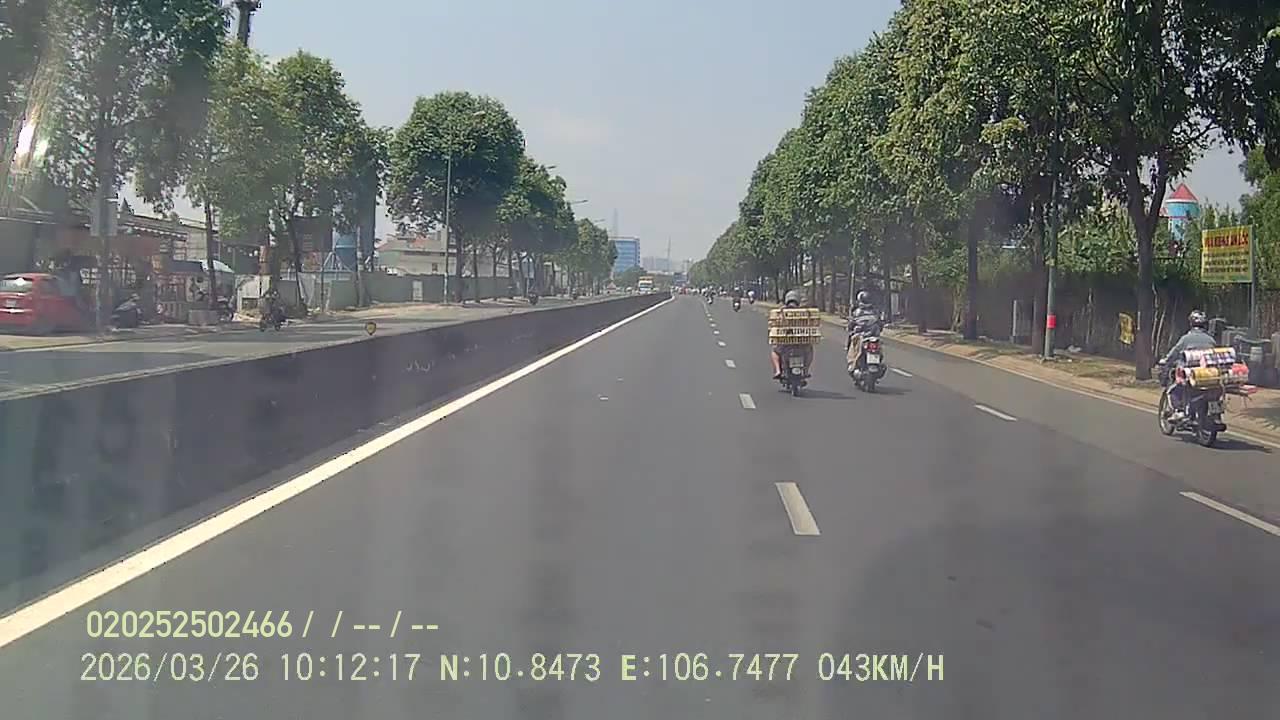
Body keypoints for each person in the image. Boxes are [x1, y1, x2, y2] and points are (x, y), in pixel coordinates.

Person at [1160, 310, 1217, 421]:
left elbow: (1174, 353)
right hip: (1207, 375)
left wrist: (1166, 361)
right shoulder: (1211, 340)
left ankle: (1179, 410)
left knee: (1174, 389)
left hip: (1190, 374)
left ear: (1191, 323)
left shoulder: (1186, 339)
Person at [771, 289, 813, 379]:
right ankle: (806, 370)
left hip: (785, 341)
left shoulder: (781, 311)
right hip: (801, 342)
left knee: (775, 352)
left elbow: (776, 323)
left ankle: (778, 370)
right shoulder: (803, 311)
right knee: (809, 350)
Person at [846, 290, 883, 374]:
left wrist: (851, 327)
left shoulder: (857, 312)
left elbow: (851, 324)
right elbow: (880, 324)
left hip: (862, 336)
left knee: (853, 344)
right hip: (873, 336)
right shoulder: (875, 311)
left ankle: (852, 363)